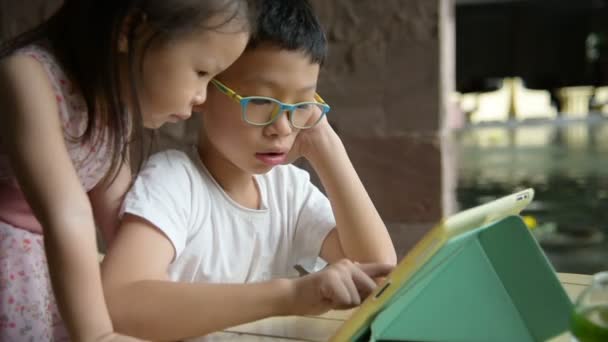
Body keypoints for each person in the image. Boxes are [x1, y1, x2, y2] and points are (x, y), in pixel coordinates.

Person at [101, 0, 397, 340]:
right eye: (260, 101)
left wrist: (327, 145)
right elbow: (120, 302)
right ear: (205, 87)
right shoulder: (175, 182)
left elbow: (377, 274)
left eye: (300, 106)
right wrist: (287, 296)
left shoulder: (288, 191)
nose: (282, 128)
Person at [0, 0, 254, 340]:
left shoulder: (113, 105)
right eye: (201, 73)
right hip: (12, 264)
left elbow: (122, 215)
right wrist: (99, 335)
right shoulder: (27, 77)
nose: (202, 98)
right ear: (131, 29)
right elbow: (67, 215)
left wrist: (160, 294)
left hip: (54, 266)